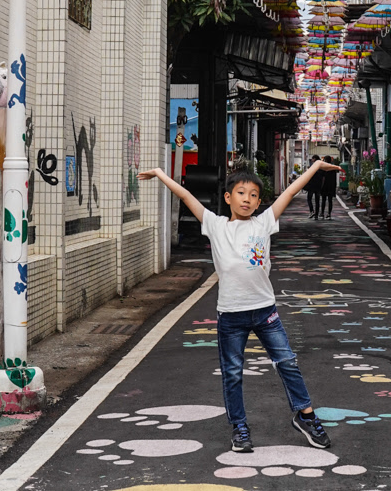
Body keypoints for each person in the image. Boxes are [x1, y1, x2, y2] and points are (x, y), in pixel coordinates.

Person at [138, 158, 343, 454]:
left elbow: (290, 191)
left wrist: (316, 167)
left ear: (259, 202)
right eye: (241, 193)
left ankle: (306, 416)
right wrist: (160, 174)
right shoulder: (215, 225)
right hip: (231, 316)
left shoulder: (264, 222)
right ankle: (239, 428)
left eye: (253, 195)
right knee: (232, 373)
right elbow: (186, 196)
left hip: (265, 312)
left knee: (287, 362)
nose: (247, 199)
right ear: (228, 197)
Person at [317, 155, 338, 220]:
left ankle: (322, 213)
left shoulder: (324, 168)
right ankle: (329, 214)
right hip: (331, 186)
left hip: (324, 186)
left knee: (323, 200)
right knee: (330, 200)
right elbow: (334, 178)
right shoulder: (333, 168)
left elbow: (320, 177)